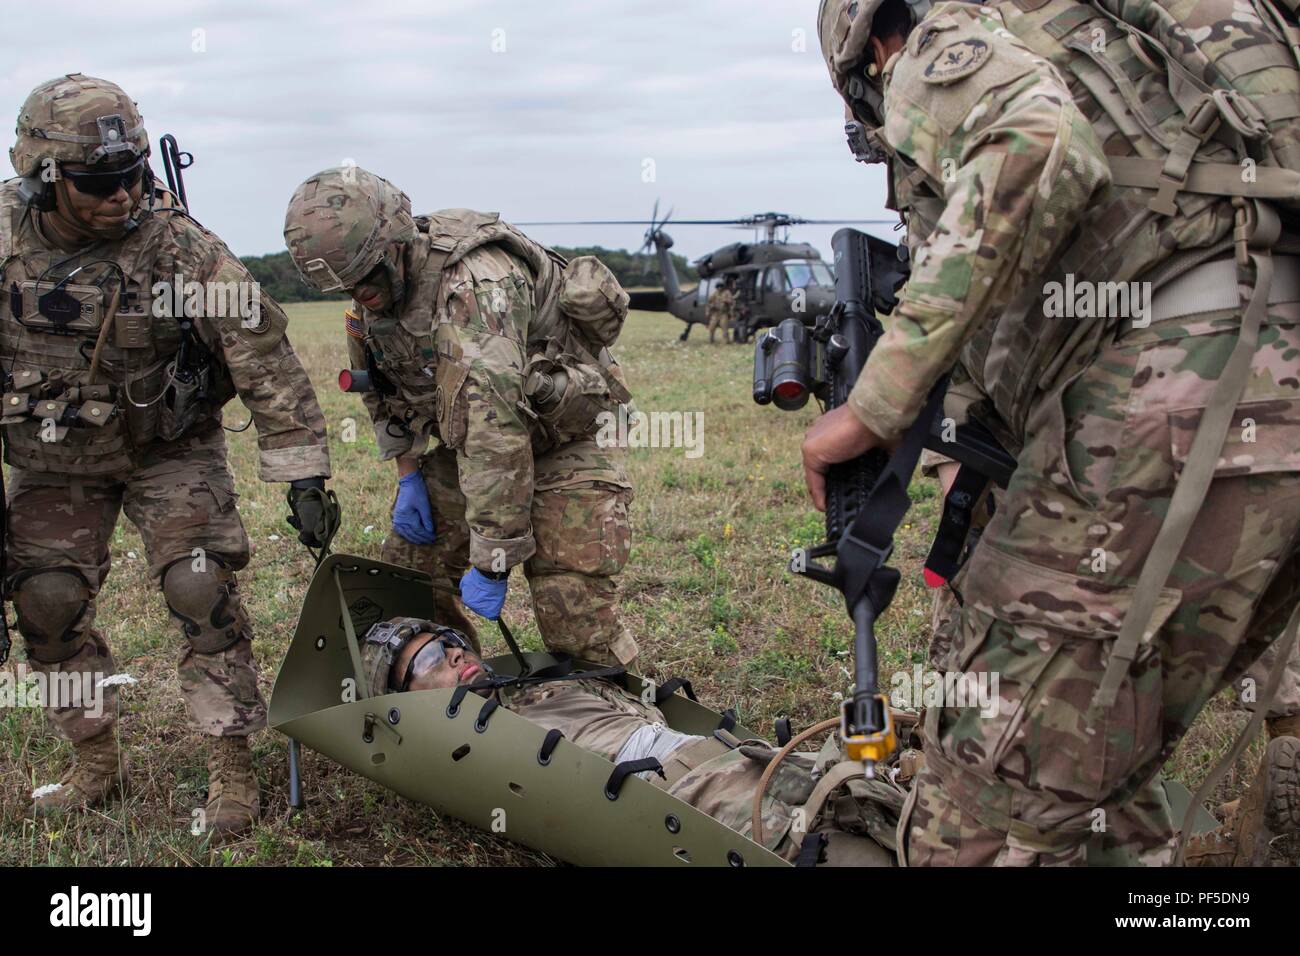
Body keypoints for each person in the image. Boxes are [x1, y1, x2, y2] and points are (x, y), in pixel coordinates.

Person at [810, 0, 1300, 865]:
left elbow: (1034, 142)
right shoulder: (1172, 47)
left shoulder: (933, 38)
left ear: (869, 48)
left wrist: (879, 402)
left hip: (1190, 393)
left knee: (980, 807)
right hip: (1257, 403)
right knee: (1104, 759)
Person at [2, 74, 335, 832]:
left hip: (169, 450)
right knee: (44, 602)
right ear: (46, 177)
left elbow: (262, 356)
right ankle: (93, 758)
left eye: (133, 174)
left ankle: (230, 763)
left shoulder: (177, 243)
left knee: (200, 590)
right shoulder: (1, 241)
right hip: (54, 457)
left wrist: (301, 472)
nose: (122, 195)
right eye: (98, 181)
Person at [284, 167, 638, 667]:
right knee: (407, 580)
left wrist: (493, 559)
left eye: (365, 279)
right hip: (472, 445)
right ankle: (451, 691)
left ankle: (617, 723)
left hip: (566, 439)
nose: (358, 294)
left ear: (394, 245)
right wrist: (409, 478)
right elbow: (382, 392)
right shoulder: (369, 301)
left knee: (571, 610)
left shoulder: (477, 284)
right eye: (346, 286)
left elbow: (496, 428)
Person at [359, 616, 917, 865]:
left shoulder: (531, 684)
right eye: (431, 658)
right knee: (852, 851)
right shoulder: (471, 753)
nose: (455, 653)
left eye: (451, 641)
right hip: (685, 793)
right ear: (409, 698)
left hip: (731, 756)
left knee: (895, 786)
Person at [705, 275, 737, 344]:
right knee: (711, 327)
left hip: (723, 313)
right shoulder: (714, 294)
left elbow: (731, 301)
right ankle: (711, 340)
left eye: (721, 286)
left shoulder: (727, 292)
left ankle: (726, 341)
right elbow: (708, 303)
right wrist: (709, 309)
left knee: (724, 327)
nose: (719, 288)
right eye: (718, 287)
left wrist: (726, 300)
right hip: (715, 313)